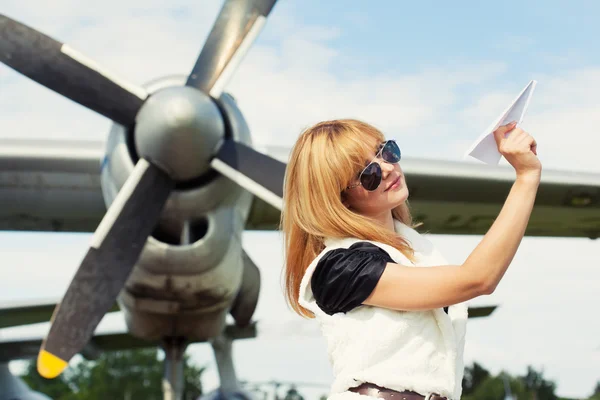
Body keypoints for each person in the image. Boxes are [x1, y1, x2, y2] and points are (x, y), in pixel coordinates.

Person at [280, 119, 540, 400]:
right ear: (338, 199)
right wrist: (526, 177)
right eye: (368, 174)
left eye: (386, 151)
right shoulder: (341, 268)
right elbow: (477, 278)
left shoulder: (414, 254)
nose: (388, 168)